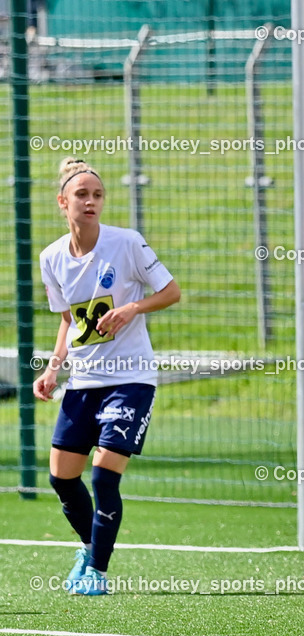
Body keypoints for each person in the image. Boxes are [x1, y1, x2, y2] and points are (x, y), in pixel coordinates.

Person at [33, 158, 181, 595]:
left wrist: (132, 308)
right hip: (83, 382)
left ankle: (97, 571)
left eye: (97, 195)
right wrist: (52, 367)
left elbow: (171, 291)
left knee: (103, 476)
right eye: (82, 195)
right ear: (63, 203)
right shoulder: (52, 258)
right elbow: (68, 322)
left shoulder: (127, 244)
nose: (91, 202)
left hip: (131, 378)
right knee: (61, 477)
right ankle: (89, 546)